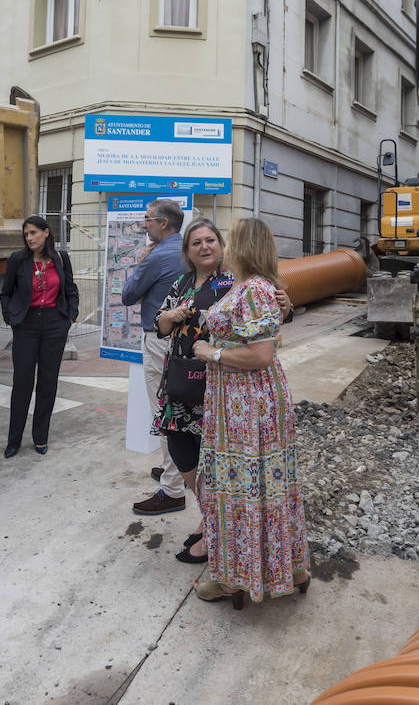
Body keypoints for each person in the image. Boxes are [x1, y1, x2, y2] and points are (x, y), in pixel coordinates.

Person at [153, 219, 296, 564]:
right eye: (196, 243)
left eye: (211, 240)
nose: (205, 247)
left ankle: (216, 527)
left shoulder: (238, 282)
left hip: (221, 386)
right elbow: (159, 324)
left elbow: (270, 322)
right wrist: (171, 315)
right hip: (179, 381)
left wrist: (286, 307)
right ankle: (213, 516)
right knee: (180, 449)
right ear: (187, 251)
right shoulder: (183, 282)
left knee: (218, 462)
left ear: (223, 246)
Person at [191, 217, 310, 607]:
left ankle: (238, 580)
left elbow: (261, 354)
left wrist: (213, 352)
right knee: (261, 487)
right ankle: (286, 568)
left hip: (246, 404)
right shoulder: (252, 287)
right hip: (240, 401)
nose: (221, 247)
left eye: (228, 239)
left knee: (243, 488)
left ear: (242, 247)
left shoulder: (255, 289)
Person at [124, 199, 188, 516]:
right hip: (185, 343)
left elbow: (127, 295)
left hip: (159, 342)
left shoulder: (157, 255)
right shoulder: (187, 251)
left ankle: (173, 490)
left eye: (147, 219)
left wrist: (140, 262)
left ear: (163, 223)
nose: (144, 224)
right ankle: (174, 470)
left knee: (165, 415)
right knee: (179, 413)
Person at [0, 215, 79, 458]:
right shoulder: (18, 260)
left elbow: (71, 290)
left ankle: (40, 437)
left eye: (33, 232)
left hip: (55, 324)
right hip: (26, 325)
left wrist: (70, 317)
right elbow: (6, 293)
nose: (29, 238)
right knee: (22, 382)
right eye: (26, 234)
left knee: (47, 382)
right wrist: (11, 318)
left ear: (46, 233)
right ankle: (13, 440)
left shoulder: (61, 258)